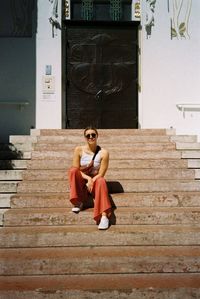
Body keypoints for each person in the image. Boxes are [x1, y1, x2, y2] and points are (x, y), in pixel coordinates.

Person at [68, 126, 112, 230]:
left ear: (97, 136)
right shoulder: (78, 150)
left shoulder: (104, 153)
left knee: (101, 181)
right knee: (72, 171)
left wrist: (92, 180)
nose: (91, 137)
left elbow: (101, 174)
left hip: (95, 180)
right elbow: (76, 169)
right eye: (88, 135)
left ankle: (104, 216)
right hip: (81, 181)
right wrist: (88, 179)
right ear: (85, 137)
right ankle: (78, 202)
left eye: (93, 135)